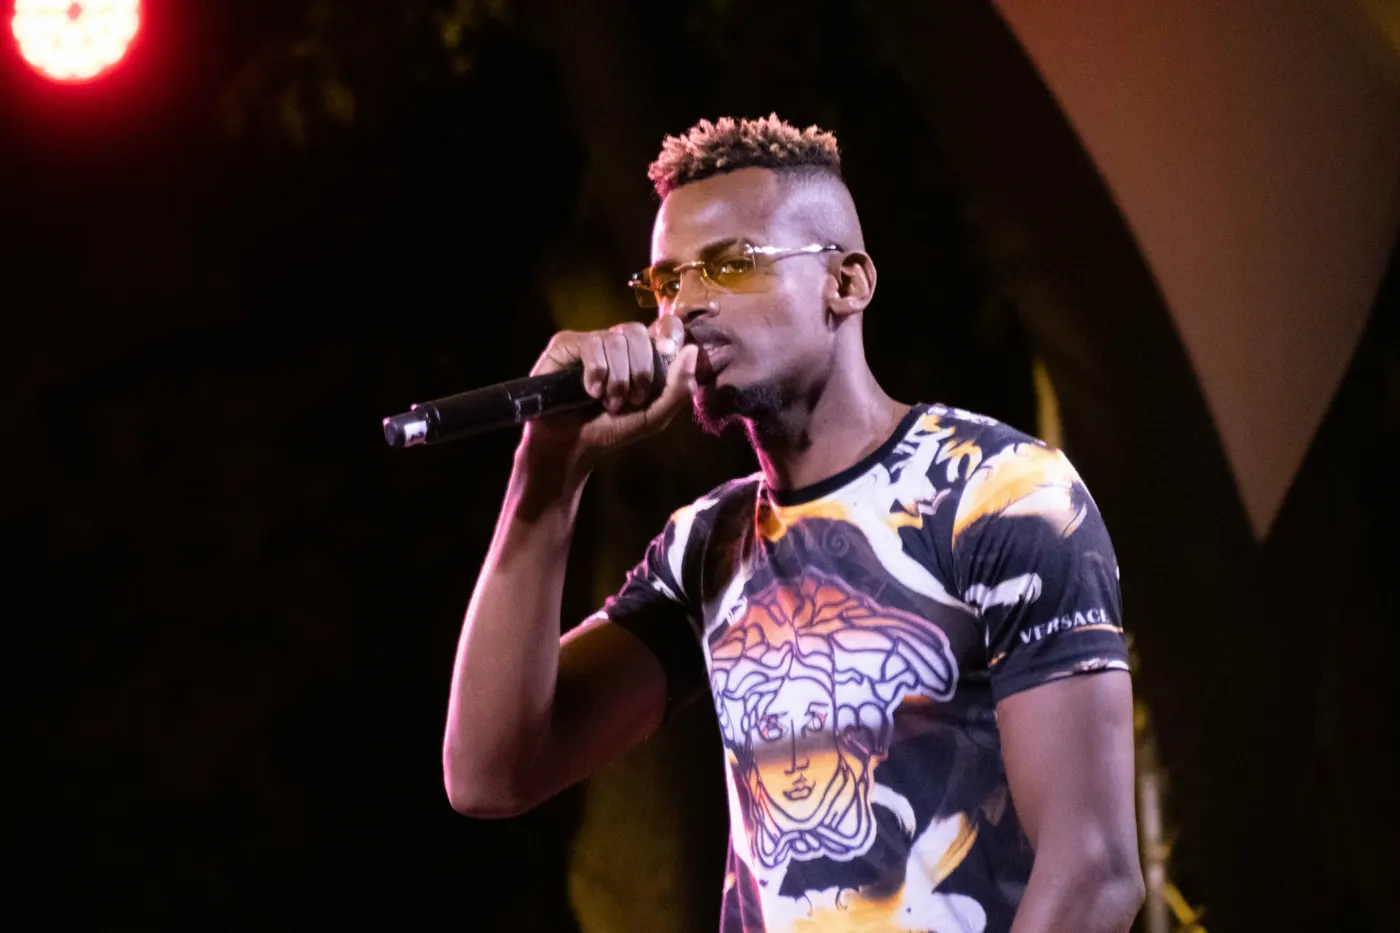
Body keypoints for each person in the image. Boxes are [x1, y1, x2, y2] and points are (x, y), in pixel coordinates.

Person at [441, 113, 1145, 933]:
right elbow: (492, 774)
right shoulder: (708, 542)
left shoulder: (997, 492)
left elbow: (1094, 872)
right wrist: (549, 473)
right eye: (666, 283)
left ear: (846, 283)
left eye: (731, 265)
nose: (686, 307)